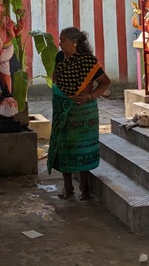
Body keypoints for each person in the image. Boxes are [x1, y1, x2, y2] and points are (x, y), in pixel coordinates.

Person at [48, 26, 111, 201]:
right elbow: (55, 78)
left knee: (83, 149)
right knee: (63, 147)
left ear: (74, 42)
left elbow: (105, 82)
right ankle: (67, 187)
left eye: (62, 40)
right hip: (63, 110)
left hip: (83, 112)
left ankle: (85, 187)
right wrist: (60, 95)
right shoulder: (60, 57)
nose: (59, 44)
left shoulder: (88, 61)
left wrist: (89, 96)